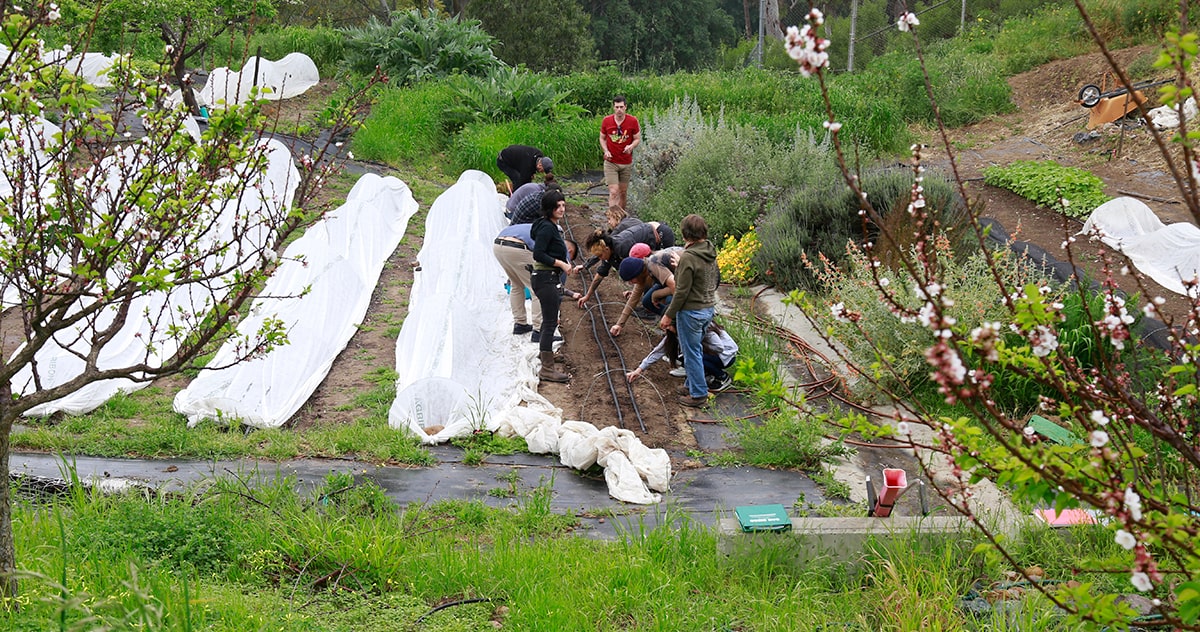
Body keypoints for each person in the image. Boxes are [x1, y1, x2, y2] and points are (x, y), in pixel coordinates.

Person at [661, 214, 719, 407]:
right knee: (696, 350)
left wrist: (668, 315)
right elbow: (710, 278)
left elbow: (681, 291)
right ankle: (692, 384)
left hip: (691, 312)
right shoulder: (710, 251)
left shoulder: (688, 257)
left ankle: (699, 395)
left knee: (691, 352)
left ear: (685, 235)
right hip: (707, 308)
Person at [530, 190, 576, 383]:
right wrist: (561, 264)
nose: (562, 209)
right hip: (545, 278)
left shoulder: (546, 225)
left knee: (548, 321)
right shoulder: (547, 228)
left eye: (563, 205)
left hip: (546, 277)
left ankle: (546, 354)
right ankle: (547, 369)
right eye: (558, 206)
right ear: (549, 208)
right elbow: (538, 254)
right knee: (549, 322)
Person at [575, 222, 675, 309]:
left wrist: (636, 292)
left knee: (660, 275)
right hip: (648, 236)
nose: (600, 258)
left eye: (600, 255)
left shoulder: (624, 248)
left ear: (606, 249)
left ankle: (664, 308)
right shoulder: (609, 252)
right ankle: (653, 303)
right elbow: (600, 275)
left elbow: (642, 272)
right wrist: (587, 296)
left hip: (660, 235)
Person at [626, 322, 737, 392]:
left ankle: (722, 377)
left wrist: (696, 345)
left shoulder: (701, 327)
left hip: (725, 356)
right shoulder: (675, 332)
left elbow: (719, 348)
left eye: (669, 325)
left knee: (693, 356)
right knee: (684, 355)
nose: (666, 328)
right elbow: (658, 352)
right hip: (709, 353)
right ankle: (704, 372)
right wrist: (639, 370)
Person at [607, 246, 682, 336]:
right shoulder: (643, 271)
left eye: (631, 280)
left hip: (688, 282)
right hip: (674, 281)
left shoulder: (653, 265)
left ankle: (677, 329)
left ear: (638, 273)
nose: (631, 283)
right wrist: (619, 324)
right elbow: (633, 298)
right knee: (647, 300)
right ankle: (668, 322)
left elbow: (678, 287)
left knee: (671, 304)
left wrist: (668, 314)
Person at [492, 223, 540, 336]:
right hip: (517, 248)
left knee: (516, 285)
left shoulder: (534, 227)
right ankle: (539, 330)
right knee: (537, 288)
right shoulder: (551, 234)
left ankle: (520, 324)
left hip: (498, 245)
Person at [600, 95, 640, 211]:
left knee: (623, 192)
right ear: (613, 107)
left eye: (621, 107)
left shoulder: (632, 121)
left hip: (626, 162)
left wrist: (631, 146)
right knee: (613, 192)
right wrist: (606, 150)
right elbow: (602, 138)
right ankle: (612, 219)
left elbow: (637, 138)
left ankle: (621, 217)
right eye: (617, 107)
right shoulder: (607, 121)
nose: (619, 110)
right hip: (611, 162)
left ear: (625, 107)